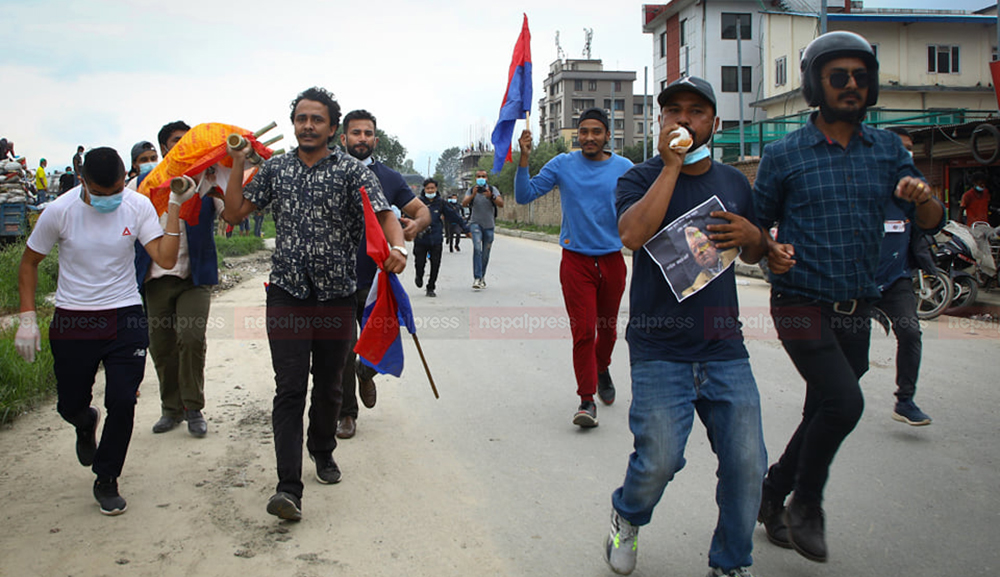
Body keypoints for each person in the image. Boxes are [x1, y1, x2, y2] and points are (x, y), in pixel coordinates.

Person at [753, 32, 945, 563]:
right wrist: (770, 248)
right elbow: (755, 231)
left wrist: (922, 195)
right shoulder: (783, 153)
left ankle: (772, 494)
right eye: (840, 77)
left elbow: (930, 220)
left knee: (823, 408)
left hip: (858, 306)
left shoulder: (888, 151)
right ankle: (806, 506)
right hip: (797, 302)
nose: (853, 86)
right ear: (817, 84)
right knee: (844, 402)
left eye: (861, 77)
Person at [605, 76, 769, 577]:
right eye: (672, 110)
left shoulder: (735, 183)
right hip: (659, 348)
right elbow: (632, 235)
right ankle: (627, 516)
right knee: (659, 462)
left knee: (747, 466)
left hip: (724, 347)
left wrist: (754, 235)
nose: (683, 119)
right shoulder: (638, 178)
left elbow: (760, 253)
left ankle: (730, 563)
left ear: (714, 124)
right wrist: (671, 167)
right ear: (659, 121)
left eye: (696, 111)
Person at [221, 87, 407, 521]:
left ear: (332, 128)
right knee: (289, 388)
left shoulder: (351, 172)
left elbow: (385, 215)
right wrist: (236, 162)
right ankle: (288, 487)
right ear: (294, 125)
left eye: (316, 119)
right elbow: (232, 214)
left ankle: (322, 450)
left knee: (328, 387)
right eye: (301, 119)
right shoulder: (276, 170)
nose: (307, 126)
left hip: (336, 297)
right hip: (286, 293)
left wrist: (398, 247)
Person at [15, 146, 192, 515]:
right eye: (102, 193)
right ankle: (84, 421)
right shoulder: (59, 211)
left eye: (116, 191)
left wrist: (174, 206)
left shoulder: (136, 205)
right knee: (69, 403)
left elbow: (165, 258)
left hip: (124, 316)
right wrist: (27, 318)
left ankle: (107, 478)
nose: (111, 199)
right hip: (74, 318)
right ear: (83, 182)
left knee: (124, 401)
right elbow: (29, 262)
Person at [514, 107, 632, 427]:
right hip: (576, 262)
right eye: (583, 132)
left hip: (612, 261)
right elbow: (525, 195)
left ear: (608, 135)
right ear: (576, 136)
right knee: (583, 331)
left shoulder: (625, 168)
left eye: (596, 132)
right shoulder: (562, 165)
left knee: (607, 330)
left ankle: (602, 365)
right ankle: (586, 400)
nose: (589, 137)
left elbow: (645, 205)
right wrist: (524, 158)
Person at [334, 109, 430, 440]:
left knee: (379, 342)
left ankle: (367, 370)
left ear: (376, 139)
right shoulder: (330, 172)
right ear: (343, 138)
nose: (362, 138)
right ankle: (347, 414)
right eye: (355, 133)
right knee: (343, 349)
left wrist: (416, 224)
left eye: (368, 133)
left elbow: (420, 210)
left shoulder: (389, 178)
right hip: (337, 278)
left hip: (378, 279)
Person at [139, 120, 223, 438]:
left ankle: (193, 408)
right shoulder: (145, 182)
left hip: (195, 275)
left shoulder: (205, 178)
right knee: (161, 347)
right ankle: (170, 409)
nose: (184, 145)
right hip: (155, 277)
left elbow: (229, 209)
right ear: (163, 148)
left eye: (188, 140)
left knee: (191, 340)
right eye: (177, 141)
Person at [876, 126, 932, 427]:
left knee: (910, 332)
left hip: (896, 279)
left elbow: (934, 220)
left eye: (910, 147)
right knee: (849, 353)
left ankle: (905, 401)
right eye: (900, 147)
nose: (906, 153)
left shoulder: (914, 191)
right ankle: (826, 396)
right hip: (857, 282)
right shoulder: (863, 184)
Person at [413, 178, 470, 298]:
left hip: (436, 238)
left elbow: (454, 216)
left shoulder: (441, 203)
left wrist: (465, 228)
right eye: (428, 188)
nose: (430, 190)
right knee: (419, 263)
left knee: (435, 264)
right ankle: (419, 275)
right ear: (424, 189)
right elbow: (408, 215)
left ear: (436, 189)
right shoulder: (418, 202)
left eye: (432, 188)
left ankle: (431, 287)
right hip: (421, 238)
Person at [462, 169, 504, 289]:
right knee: (477, 248)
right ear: (475, 178)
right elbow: (464, 203)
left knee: (485, 253)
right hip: (475, 224)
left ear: (487, 178)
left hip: (489, 225)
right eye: (479, 176)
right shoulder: (471, 190)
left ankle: (482, 277)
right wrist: (473, 195)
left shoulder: (492, 189)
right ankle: (476, 278)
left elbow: (501, 203)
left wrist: (492, 196)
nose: (481, 178)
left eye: (483, 176)